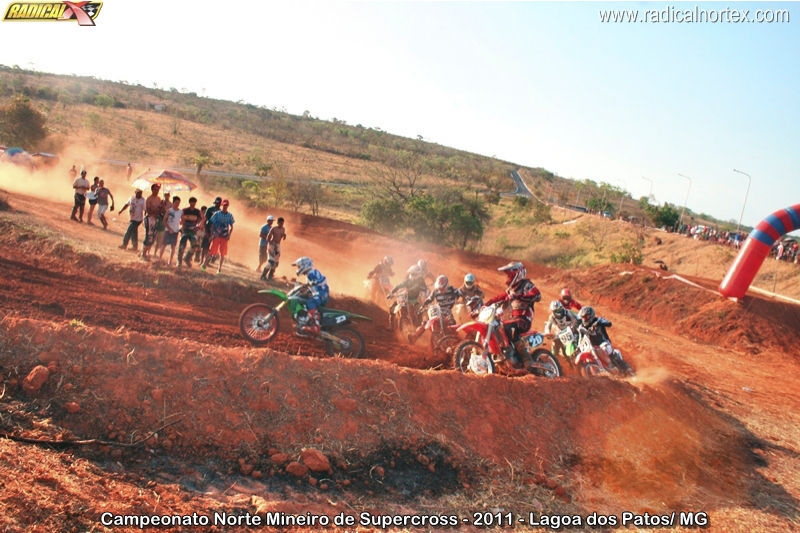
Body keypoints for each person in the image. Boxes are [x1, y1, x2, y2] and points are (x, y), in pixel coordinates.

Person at [484, 262, 541, 366]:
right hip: (513, 319)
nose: (507, 277)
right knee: (498, 327)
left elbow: (537, 295)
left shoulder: (526, 284)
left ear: (517, 273)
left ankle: (528, 360)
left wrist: (519, 296)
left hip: (524, 319)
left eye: (509, 275)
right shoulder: (511, 290)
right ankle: (507, 354)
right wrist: (485, 305)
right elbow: (498, 297)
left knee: (509, 327)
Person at [577, 306, 632, 375]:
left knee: (607, 349)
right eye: (583, 317)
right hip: (592, 346)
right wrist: (578, 347)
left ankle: (623, 367)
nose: (585, 319)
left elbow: (609, 323)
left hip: (603, 342)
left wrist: (598, 323)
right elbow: (580, 338)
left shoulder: (598, 320)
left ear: (591, 315)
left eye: (586, 317)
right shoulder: (581, 327)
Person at [408, 275, 461, 344]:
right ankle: (415, 336)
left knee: (451, 323)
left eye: (442, 288)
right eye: (439, 288)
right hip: (438, 310)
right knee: (425, 322)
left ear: (446, 285)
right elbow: (429, 299)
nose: (440, 290)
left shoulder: (452, 289)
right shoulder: (435, 291)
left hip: (448, 312)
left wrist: (460, 301)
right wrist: (423, 306)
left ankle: (457, 341)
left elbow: (461, 294)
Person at [291, 256, 329, 336]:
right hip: (319, 293)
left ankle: (316, 325)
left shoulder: (313, 272)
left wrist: (313, 283)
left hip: (322, 294)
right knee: (303, 299)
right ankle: (305, 322)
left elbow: (321, 281)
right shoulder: (309, 275)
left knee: (310, 302)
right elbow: (312, 287)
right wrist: (306, 291)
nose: (298, 268)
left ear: (305, 265)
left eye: (299, 266)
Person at [386, 265, 429, 329]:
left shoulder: (420, 280)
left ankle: (419, 325)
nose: (416, 275)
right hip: (405, 298)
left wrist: (412, 289)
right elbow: (399, 286)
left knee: (420, 310)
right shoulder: (408, 281)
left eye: (417, 274)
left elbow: (419, 287)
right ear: (411, 273)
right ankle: (391, 325)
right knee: (392, 307)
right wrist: (391, 292)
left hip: (415, 299)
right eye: (414, 274)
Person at [202, 199, 235, 274]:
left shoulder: (230, 215)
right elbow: (212, 224)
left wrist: (229, 235)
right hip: (217, 235)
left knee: (222, 253)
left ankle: (219, 268)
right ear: (222, 205)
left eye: (226, 205)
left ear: (228, 206)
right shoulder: (217, 214)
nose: (225, 206)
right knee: (212, 250)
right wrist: (212, 234)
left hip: (224, 236)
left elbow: (232, 226)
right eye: (224, 205)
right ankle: (204, 264)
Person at [177, 197, 202, 268]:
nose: (193, 204)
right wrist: (182, 224)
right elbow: (180, 219)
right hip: (185, 230)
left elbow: (201, 219)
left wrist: (198, 226)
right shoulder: (185, 210)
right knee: (182, 246)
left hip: (193, 231)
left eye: (194, 202)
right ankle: (179, 261)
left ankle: (187, 258)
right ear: (190, 202)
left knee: (194, 245)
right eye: (192, 202)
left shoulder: (197, 211)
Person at [140, 184, 163, 261]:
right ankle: (143, 253)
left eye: (158, 189)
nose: (157, 191)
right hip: (149, 218)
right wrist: (156, 210)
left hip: (156, 219)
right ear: (152, 189)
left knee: (153, 237)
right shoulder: (149, 199)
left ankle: (145, 252)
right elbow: (148, 211)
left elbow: (160, 210)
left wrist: (161, 207)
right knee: (149, 235)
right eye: (155, 189)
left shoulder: (159, 199)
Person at [158, 196, 182, 266]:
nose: (177, 204)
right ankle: (159, 259)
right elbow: (164, 221)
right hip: (168, 230)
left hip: (175, 231)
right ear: (173, 202)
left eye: (178, 203)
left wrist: (181, 225)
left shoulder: (180, 212)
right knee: (164, 245)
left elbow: (182, 220)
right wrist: (169, 228)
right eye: (176, 203)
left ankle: (170, 261)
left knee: (173, 246)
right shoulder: (169, 210)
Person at [202, 197, 222, 264]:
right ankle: (202, 260)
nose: (217, 204)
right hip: (208, 228)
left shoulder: (220, 212)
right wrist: (205, 229)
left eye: (218, 203)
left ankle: (207, 261)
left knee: (213, 246)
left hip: (215, 231)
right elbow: (205, 219)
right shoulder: (210, 209)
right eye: (217, 203)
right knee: (205, 245)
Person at [153, 191, 172, 256]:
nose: (166, 196)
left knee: (160, 239)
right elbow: (157, 210)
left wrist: (165, 209)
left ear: (169, 196)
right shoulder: (161, 202)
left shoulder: (170, 204)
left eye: (167, 195)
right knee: (154, 237)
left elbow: (170, 213)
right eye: (165, 195)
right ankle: (153, 252)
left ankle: (156, 253)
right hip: (158, 220)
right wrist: (161, 206)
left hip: (164, 222)